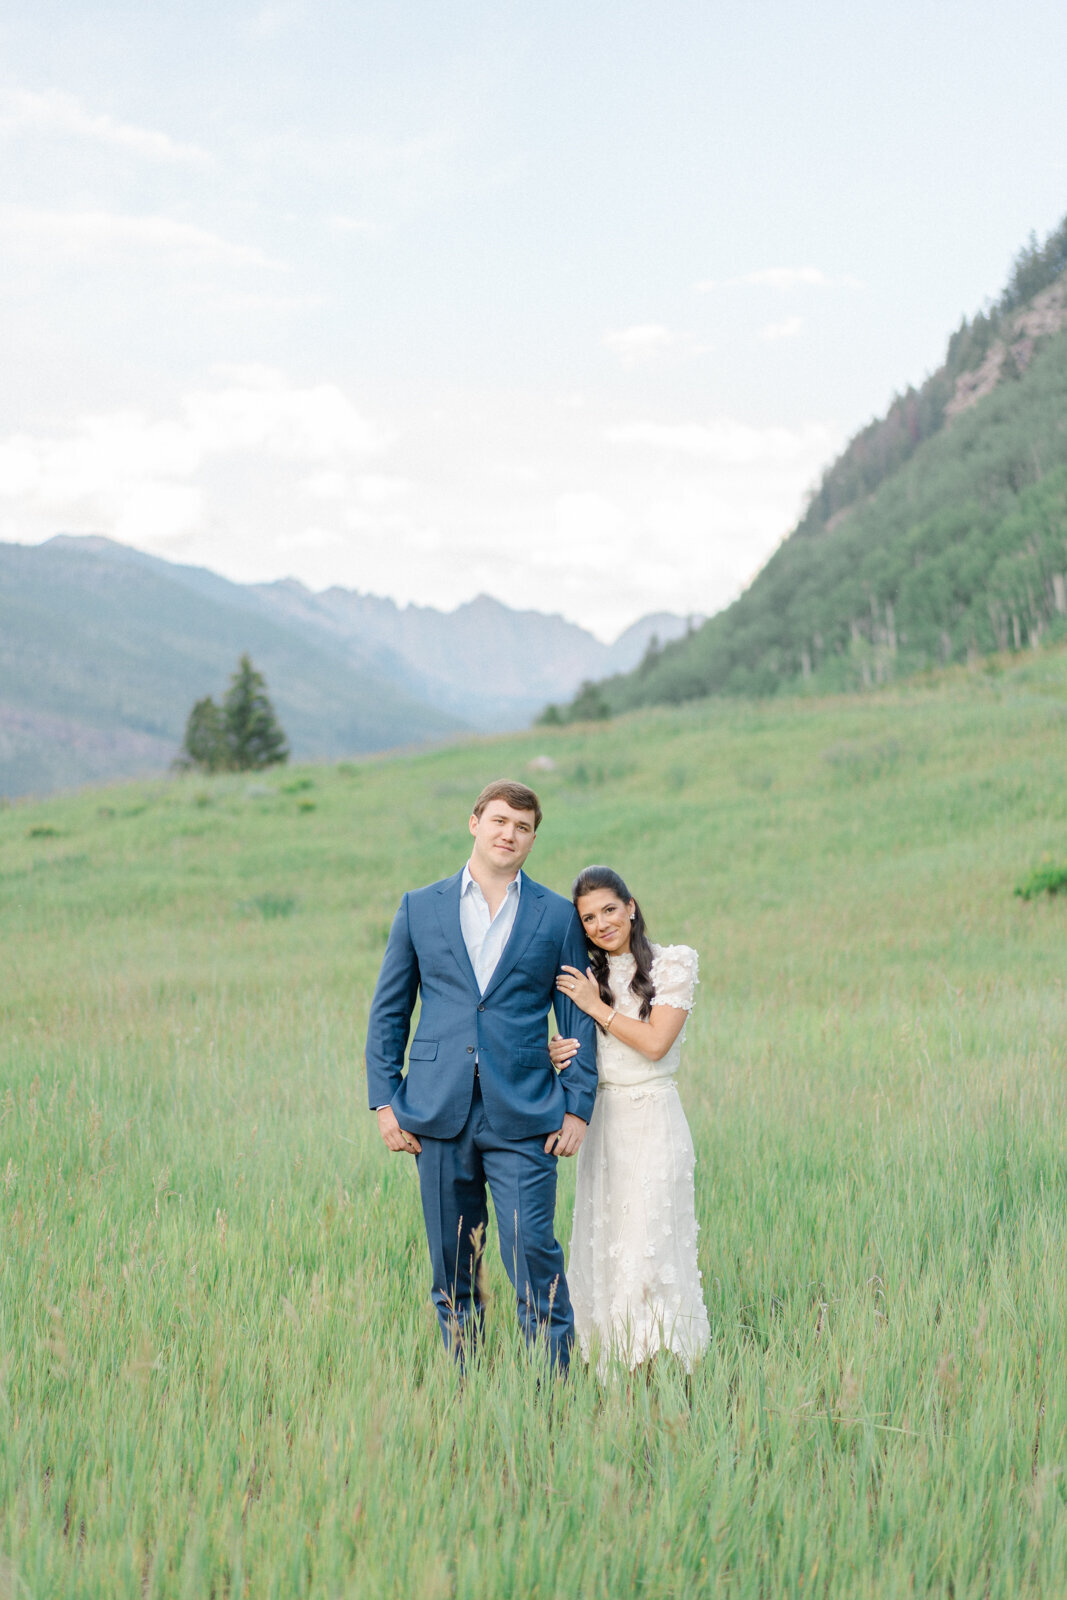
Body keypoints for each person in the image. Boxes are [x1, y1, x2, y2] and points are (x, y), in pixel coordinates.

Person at [365, 780, 599, 1373]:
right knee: (452, 1267)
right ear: (474, 823)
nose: (508, 834)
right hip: (436, 1111)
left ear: (533, 838)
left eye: (522, 827)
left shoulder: (556, 915)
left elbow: (577, 1017)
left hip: (524, 1113)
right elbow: (390, 1010)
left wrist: (577, 1107)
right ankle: (463, 1389)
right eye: (498, 821)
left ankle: (552, 1399)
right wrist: (383, 1103)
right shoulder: (421, 906)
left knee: (533, 1258)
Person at [550, 864, 710, 1372]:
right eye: (589, 918)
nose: (601, 924)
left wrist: (596, 1008)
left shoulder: (672, 965)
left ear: (631, 907)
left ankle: (660, 1362)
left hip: (654, 1120)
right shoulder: (587, 980)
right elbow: (584, 1053)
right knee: (608, 1243)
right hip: (604, 1124)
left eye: (609, 910)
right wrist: (558, 1053)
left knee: (650, 1243)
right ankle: (611, 1364)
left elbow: (656, 1044)